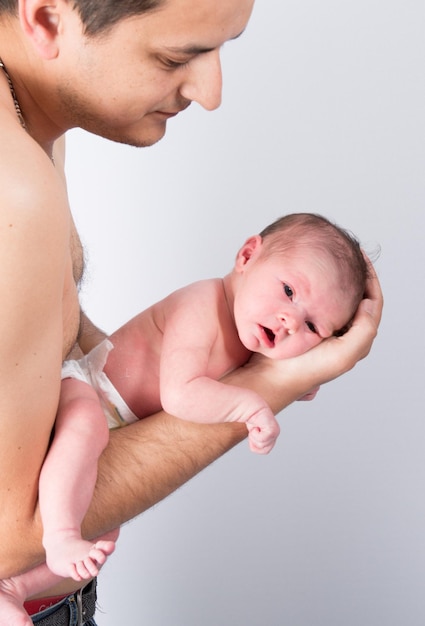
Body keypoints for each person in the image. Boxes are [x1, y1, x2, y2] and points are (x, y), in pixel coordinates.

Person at [0, 1, 383, 625]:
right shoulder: (12, 186)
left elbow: (54, 332)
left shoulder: (35, 117)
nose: (212, 93)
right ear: (47, 21)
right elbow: (11, 535)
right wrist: (269, 386)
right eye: (178, 56)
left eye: (224, 47)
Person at [0, 212, 371, 625]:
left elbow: (255, 378)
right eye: (288, 291)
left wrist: (300, 378)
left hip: (116, 425)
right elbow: (181, 395)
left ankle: (12, 589)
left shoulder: (251, 337)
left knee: (106, 525)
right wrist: (252, 404)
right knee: (83, 431)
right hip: (89, 388)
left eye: (312, 326)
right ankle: (58, 537)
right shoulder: (204, 305)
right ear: (247, 256)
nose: (289, 321)